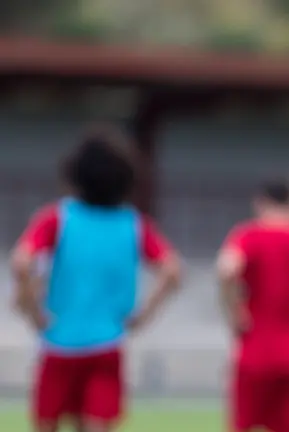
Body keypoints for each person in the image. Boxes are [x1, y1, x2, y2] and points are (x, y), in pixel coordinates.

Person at [11, 127, 181, 432]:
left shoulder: (57, 218)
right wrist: (144, 315)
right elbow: (171, 270)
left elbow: (22, 262)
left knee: (47, 421)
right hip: (107, 343)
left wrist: (31, 309)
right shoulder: (133, 224)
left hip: (59, 343)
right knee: (96, 424)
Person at [217, 178, 289, 432]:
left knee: (243, 425)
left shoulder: (250, 235)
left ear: (261, 202)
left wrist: (234, 313)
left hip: (257, 346)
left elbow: (226, 270)